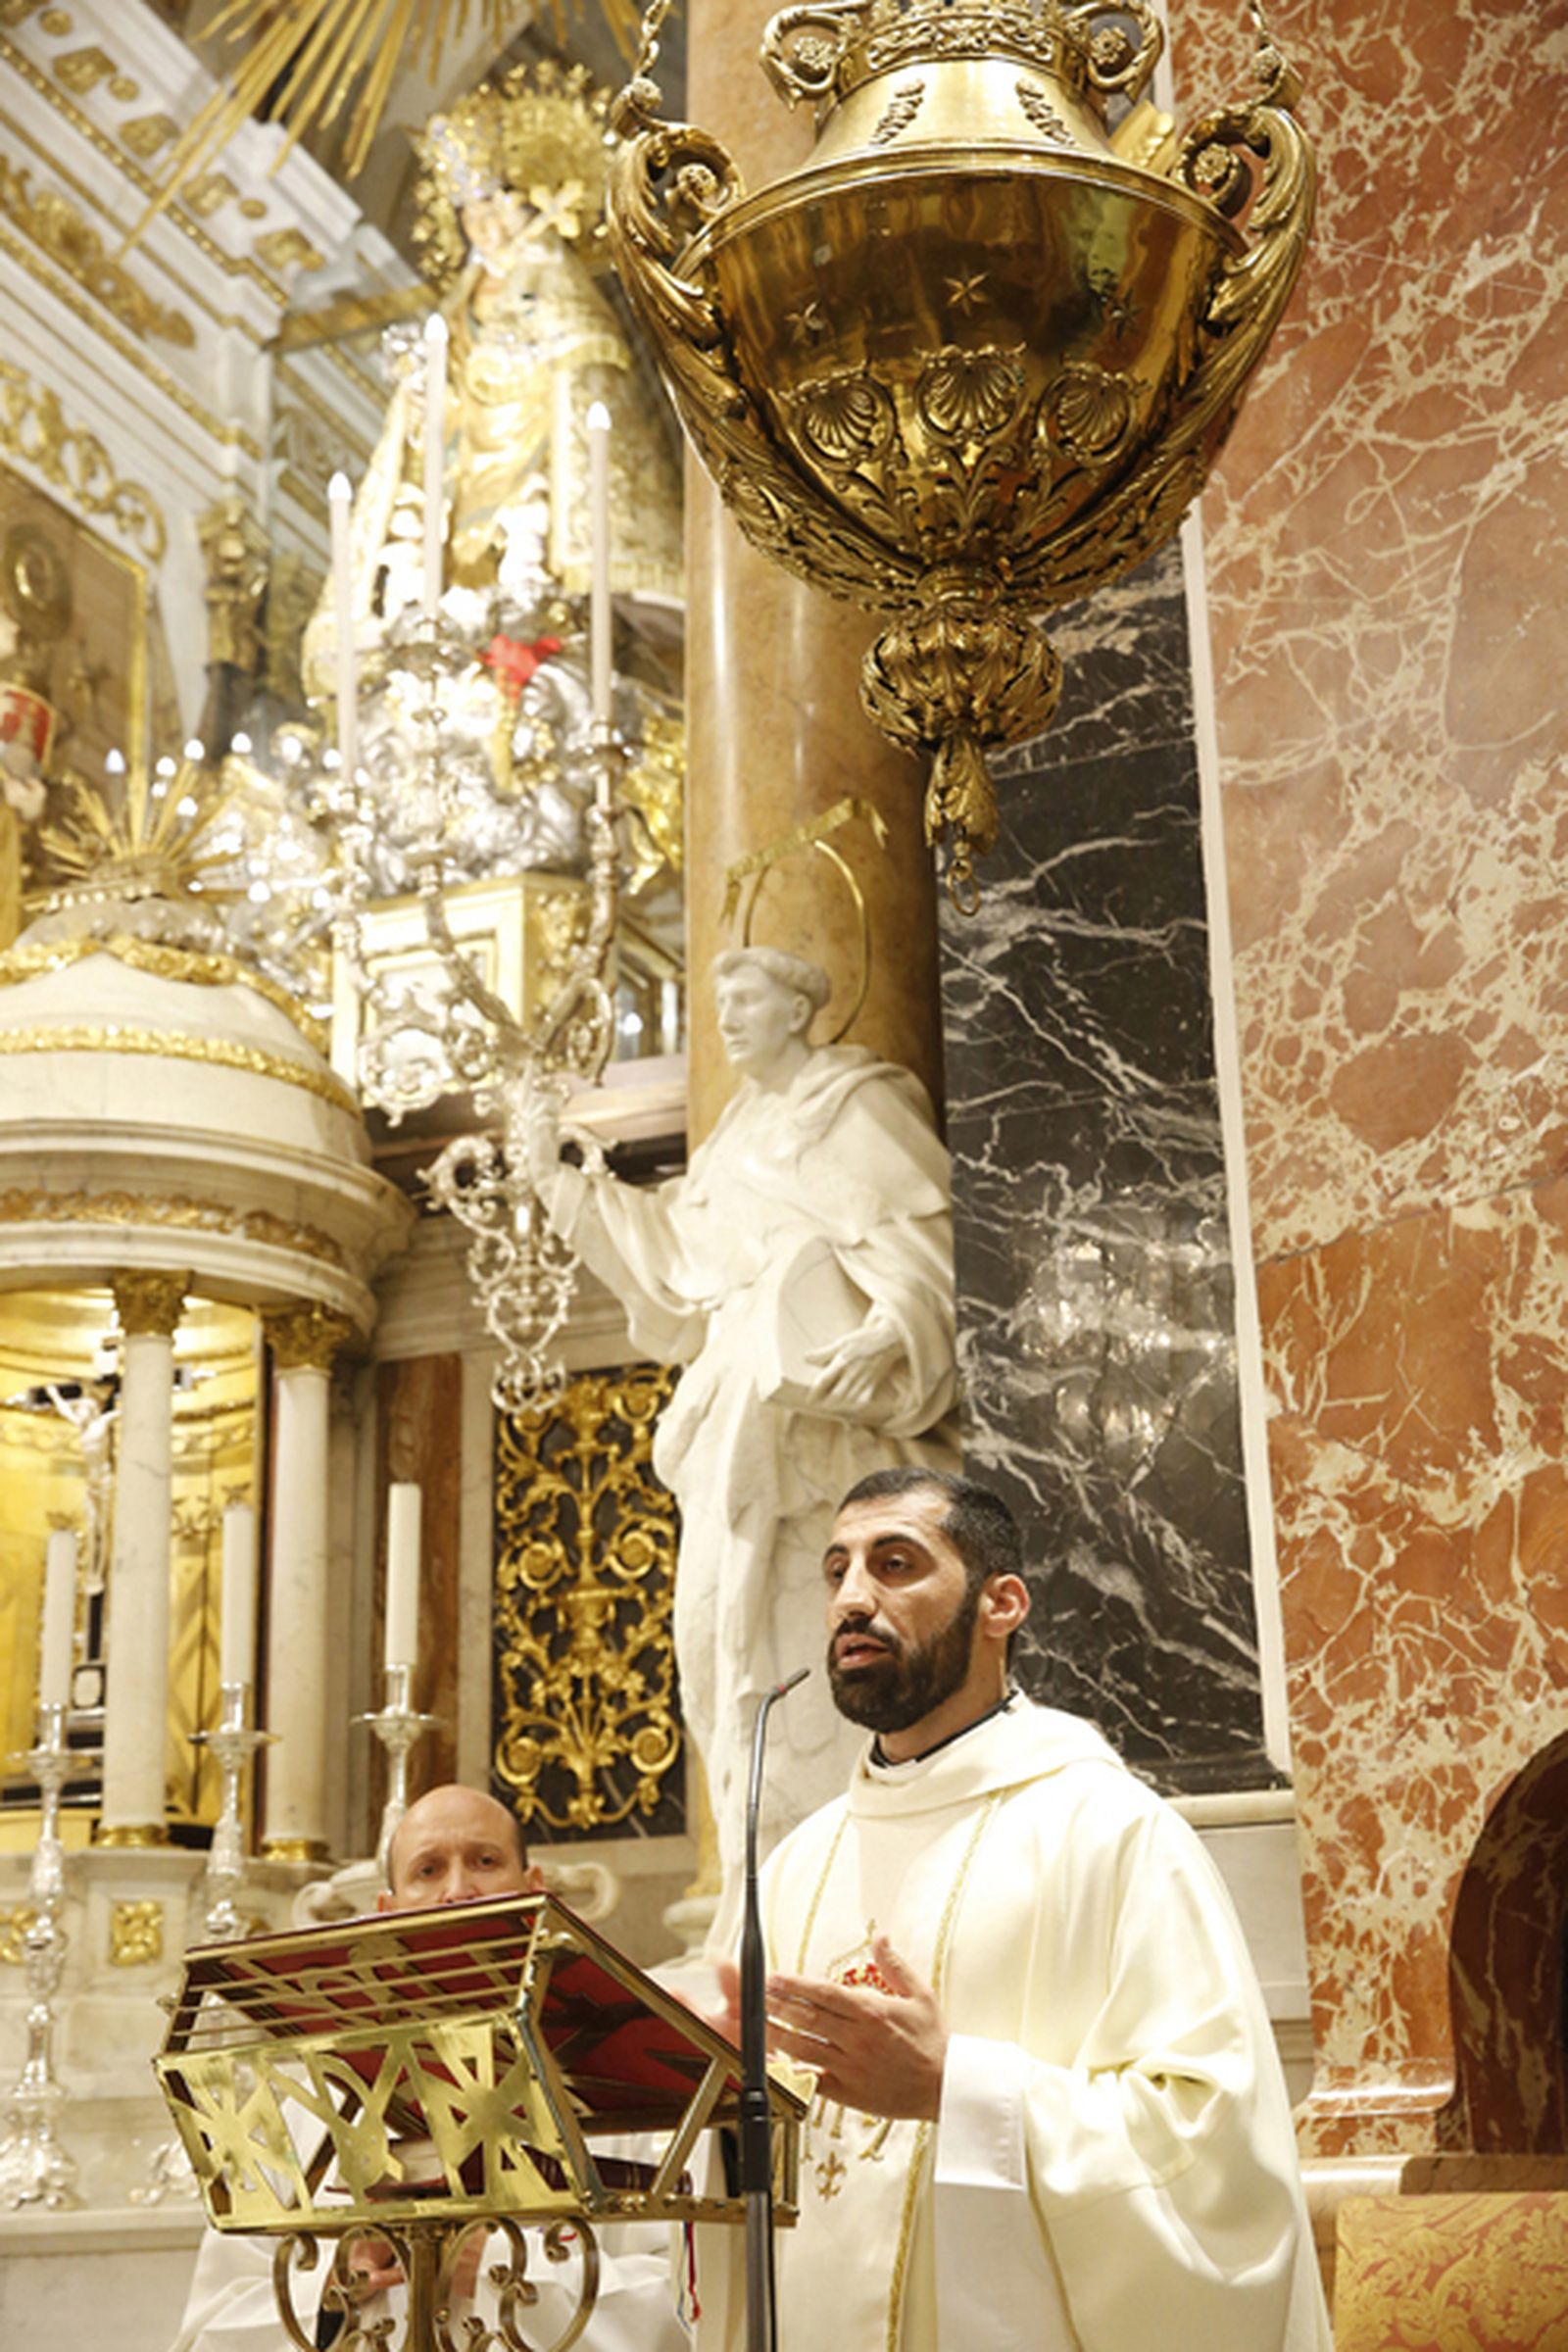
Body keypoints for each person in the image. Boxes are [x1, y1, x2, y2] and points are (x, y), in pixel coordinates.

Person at [692, 1468, 1332, 2352]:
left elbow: (1210, 2150)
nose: (851, 1598)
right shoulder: (800, 1863)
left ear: (1002, 1604)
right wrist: (708, 2094)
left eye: (896, 1564)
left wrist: (954, 2088)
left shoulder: (1110, 1833)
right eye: (836, 1570)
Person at [524, 948, 959, 1940]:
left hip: (824, 1433)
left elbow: (928, 1251)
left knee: (818, 1655)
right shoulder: (728, 1146)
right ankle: (769, 1911)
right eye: (717, 1003)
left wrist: (895, 1327)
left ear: (804, 1002)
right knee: (721, 1662)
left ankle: (856, 1914)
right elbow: (678, 1269)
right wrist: (566, 1186)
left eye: (747, 998)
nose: (726, 1019)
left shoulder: (853, 1106)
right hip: (730, 1430)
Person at [170, 1785, 689, 2352]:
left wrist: (494, 2263)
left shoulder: (624, 2097)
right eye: (428, 1870)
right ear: (388, 1914)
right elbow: (209, 2332)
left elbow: (681, 2309)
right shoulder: (310, 2111)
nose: (458, 1891)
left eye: (485, 1862)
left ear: (533, 1889)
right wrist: (334, 2281)